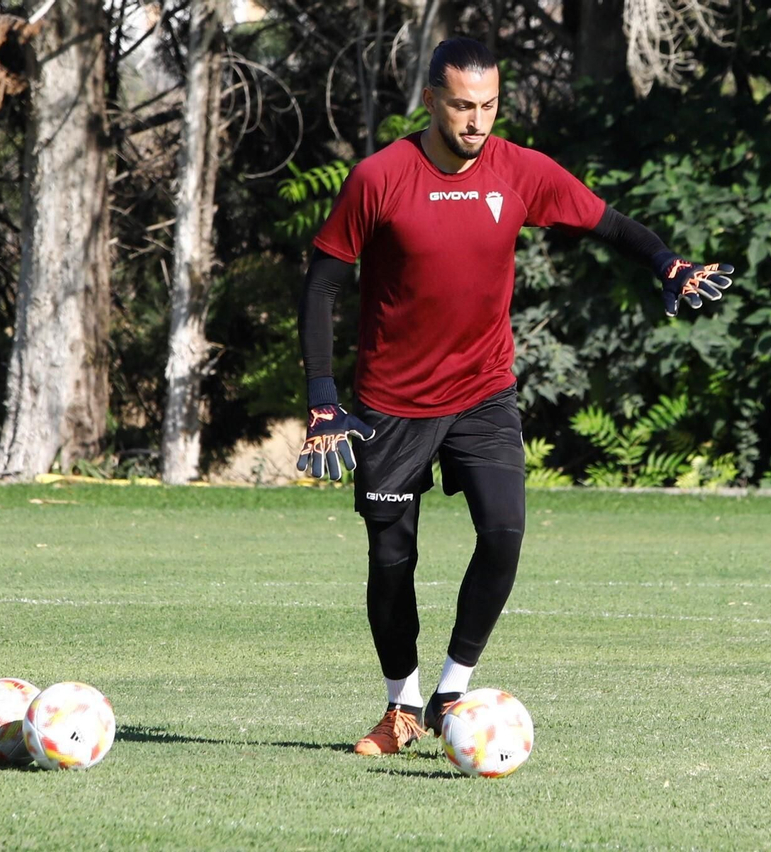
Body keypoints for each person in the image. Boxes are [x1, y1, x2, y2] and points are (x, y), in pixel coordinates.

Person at [297, 37, 736, 756]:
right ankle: (399, 707)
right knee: (390, 560)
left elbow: (608, 221)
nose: (477, 121)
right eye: (464, 106)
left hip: (483, 390)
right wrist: (322, 397)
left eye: (490, 106)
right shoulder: (380, 177)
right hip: (392, 402)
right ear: (433, 99)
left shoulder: (519, 171)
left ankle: (450, 692)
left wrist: (665, 261)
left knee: (502, 534)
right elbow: (321, 285)